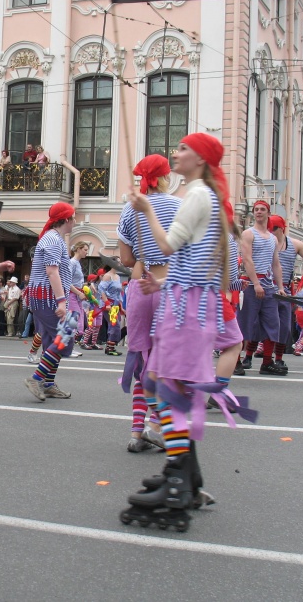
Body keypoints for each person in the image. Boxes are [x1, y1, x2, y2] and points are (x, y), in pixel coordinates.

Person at [120, 133, 236, 531]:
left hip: (187, 309)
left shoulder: (198, 195)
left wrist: (145, 209)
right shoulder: (204, 195)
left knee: (163, 389)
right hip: (184, 300)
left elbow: (167, 247)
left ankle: (177, 478)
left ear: (200, 158)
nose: (176, 153)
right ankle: (188, 475)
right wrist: (163, 286)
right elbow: (191, 260)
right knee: (164, 386)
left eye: (184, 148)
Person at [117, 154, 181, 452]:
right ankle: (157, 423)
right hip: (169, 287)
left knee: (142, 358)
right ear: (167, 176)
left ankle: (136, 431)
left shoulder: (131, 208)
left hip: (140, 287)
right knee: (167, 362)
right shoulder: (179, 206)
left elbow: (127, 259)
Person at [24, 201, 76, 401]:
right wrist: (62, 301)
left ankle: (47, 383)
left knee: (50, 341)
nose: (75, 221)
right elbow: (52, 271)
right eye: (73, 217)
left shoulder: (52, 238)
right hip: (48, 298)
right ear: (66, 219)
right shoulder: (53, 239)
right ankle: (37, 379)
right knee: (64, 339)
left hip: (43, 297)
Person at [237, 201, 284, 374]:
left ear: (268, 213)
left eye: (262, 209)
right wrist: (255, 283)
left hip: (268, 286)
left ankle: (267, 362)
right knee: (244, 324)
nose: (258, 212)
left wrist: (280, 287)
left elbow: (276, 264)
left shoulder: (272, 238)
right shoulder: (248, 234)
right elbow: (247, 259)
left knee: (273, 323)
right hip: (249, 285)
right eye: (256, 209)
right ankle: (236, 361)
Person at [268, 215, 303, 373]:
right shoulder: (265, 240)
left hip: (284, 289)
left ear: (282, 228)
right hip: (267, 286)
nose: (271, 231)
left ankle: (278, 357)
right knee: (265, 323)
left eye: (274, 228)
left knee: (284, 326)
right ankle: (257, 354)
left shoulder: (294, 244)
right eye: (269, 228)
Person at [67, 241, 90, 355]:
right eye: (85, 249)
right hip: (72, 295)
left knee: (79, 322)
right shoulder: (72, 263)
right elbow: (67, 281)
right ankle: (67, 348)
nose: (87, 252)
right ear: (78, 249)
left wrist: (85, 288)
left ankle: (69, 347)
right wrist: (78, 292)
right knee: (73, 321)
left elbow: (77, 281)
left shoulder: (77, 263)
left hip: (77, 296)